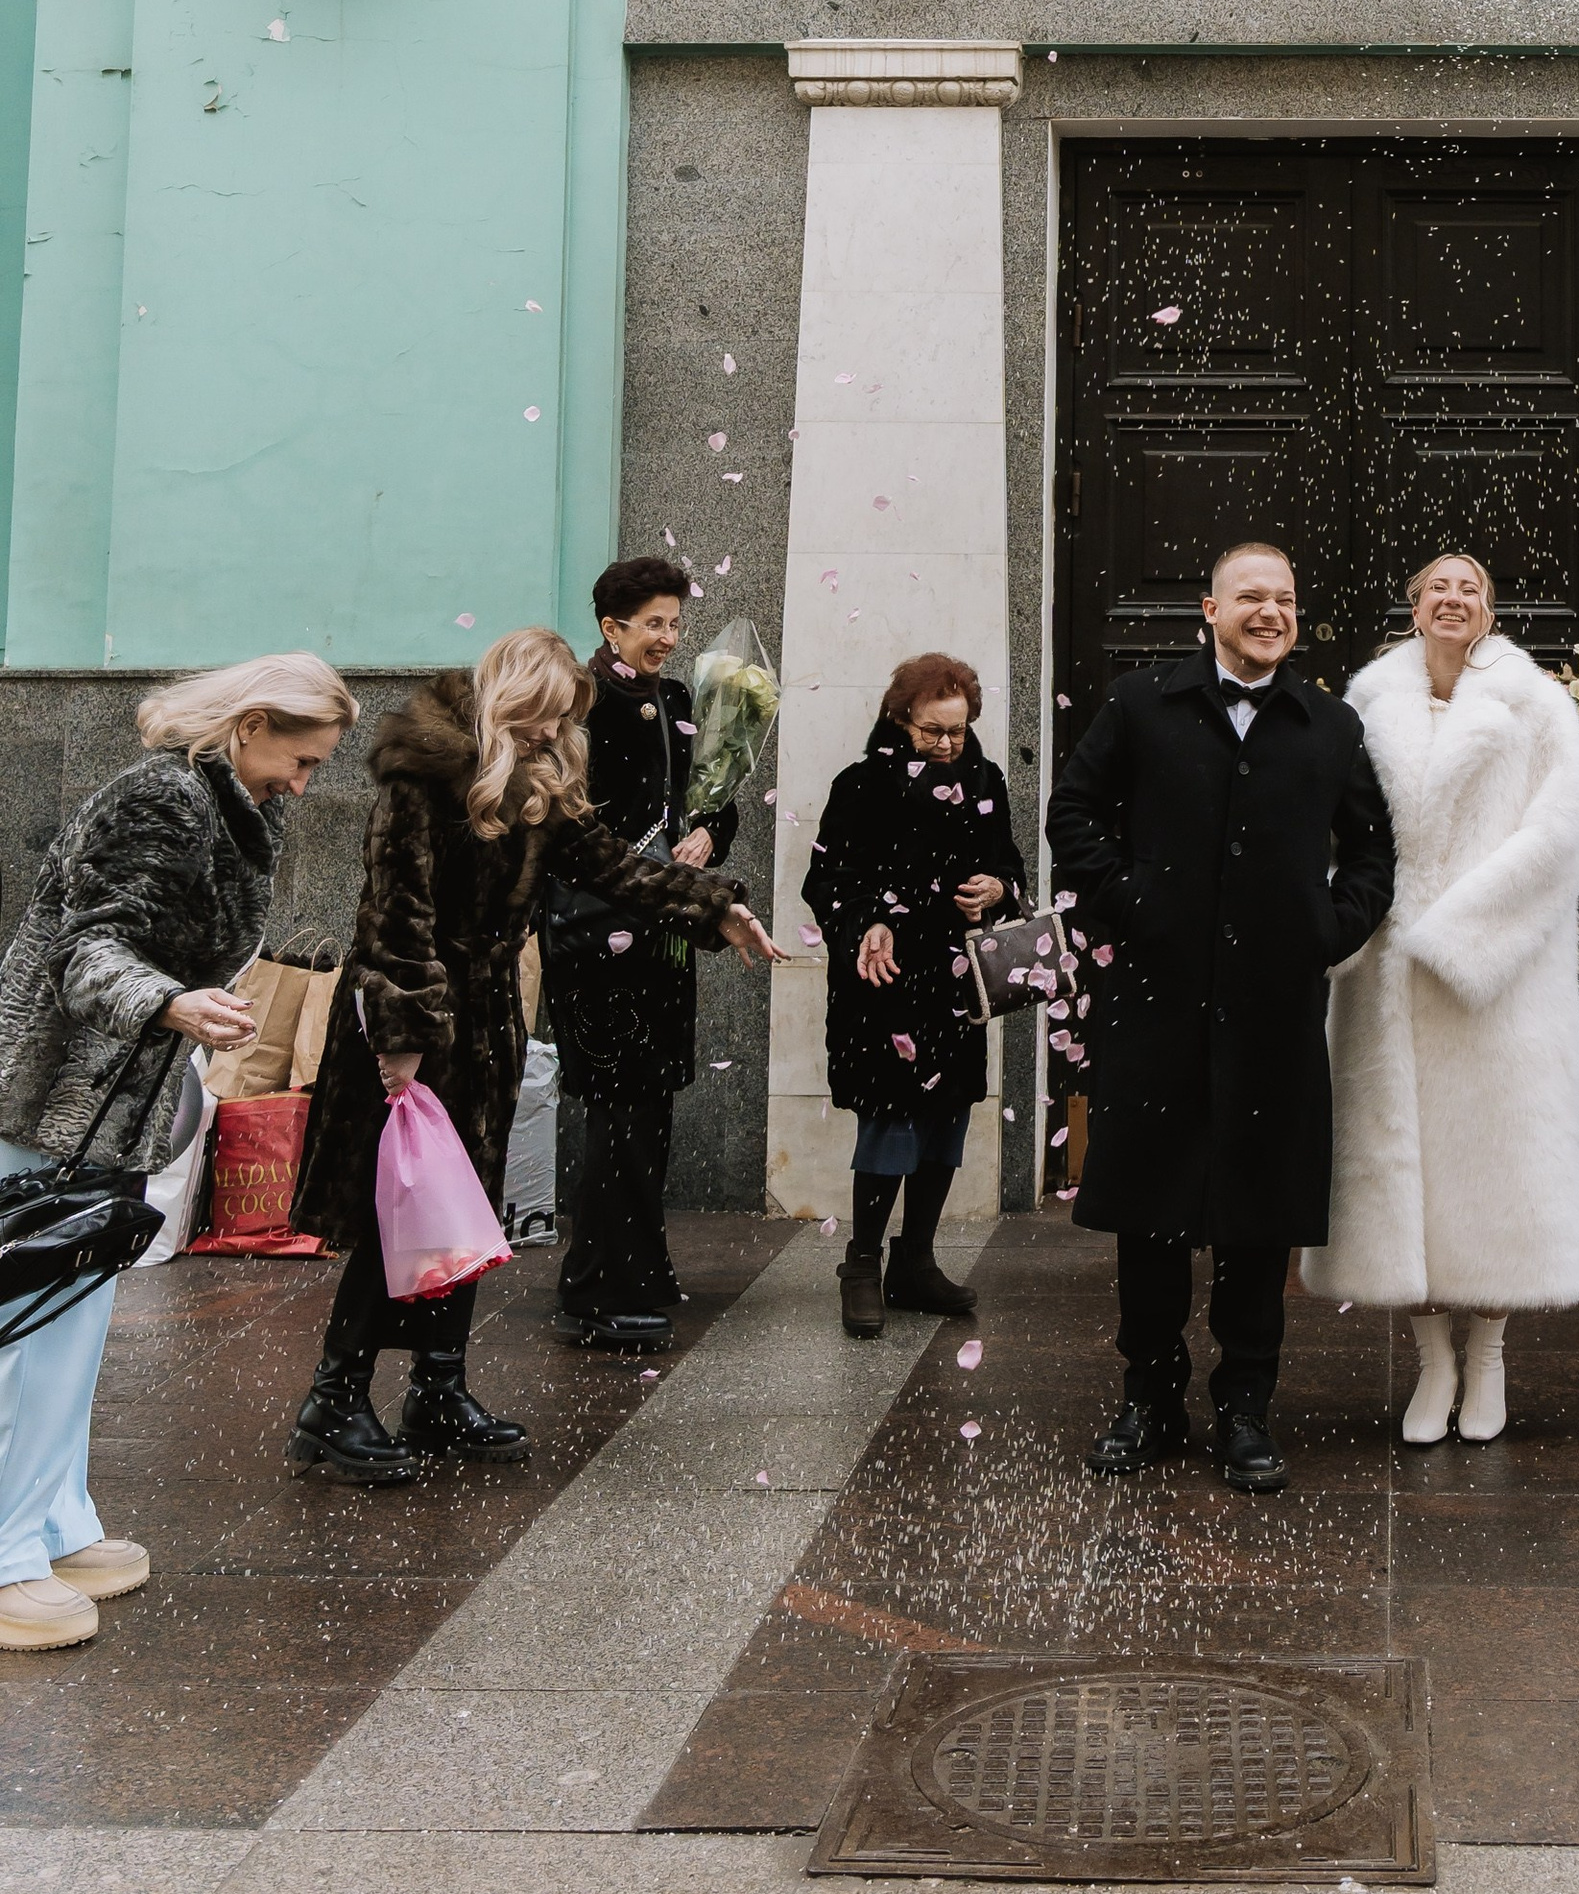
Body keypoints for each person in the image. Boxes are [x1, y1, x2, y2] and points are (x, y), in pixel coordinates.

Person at [289, 629, 777, 1480]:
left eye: (563, 721)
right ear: (505, 697)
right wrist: (403, 1042)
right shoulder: (423, 774)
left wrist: (715, 906)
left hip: (484, 1024)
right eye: (542, 716)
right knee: (394, 1219)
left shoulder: (539, 784)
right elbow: (392, 913)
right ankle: (335, 1402)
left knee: (461, 1213)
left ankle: (439, 1390)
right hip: (409, 1022)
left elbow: (617, 868)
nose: (554, 733)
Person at [0, 655, 356, 1649]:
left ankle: (52, 1523)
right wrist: (170, 1001)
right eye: (302, 757)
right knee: (29, 1325)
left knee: (68, 1317)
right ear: (249, 725)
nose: (304, 780)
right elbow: (86, 948)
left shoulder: (227, 799)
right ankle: (6, 1551)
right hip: (49, 1097)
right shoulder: (160, 797)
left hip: (103, 1101)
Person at [1046, 539, 1394, 1493]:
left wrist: (1330, 927)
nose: (1270, 612)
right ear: (1209, 609)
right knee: (1153, 1216)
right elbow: (1071, 812)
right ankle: (1149, 1400)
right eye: (1251, 597)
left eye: (1283, 598)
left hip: (1276, 1017)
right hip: (1157, 1010)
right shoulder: (1140, 703)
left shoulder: (1330, 724)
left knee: (1257, 1221)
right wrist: (1131, 899)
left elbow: (1372, 851)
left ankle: (1245, 1408)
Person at [1307, 552, 1579, 1446]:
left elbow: (1561, 836)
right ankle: (1433, 1357)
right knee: (1400, 1176)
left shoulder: (1535, 703)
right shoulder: (1365, 703)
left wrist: (1464, 933)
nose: (1453, 598)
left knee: (1493, 1165)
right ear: (1413, 602)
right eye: (1438, 585)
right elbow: (1331, 822)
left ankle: (1493, 1353)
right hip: (1386, 972)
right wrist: (1334, 926)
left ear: (1490, 608)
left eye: (1470, 587)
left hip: (1495, 978)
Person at [547, 553, 742, 1350]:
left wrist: (706, 831)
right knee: (619, 1109)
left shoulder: (676, 697)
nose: (668, 637)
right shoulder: (579, 705)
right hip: (597, 933)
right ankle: (594, 1289)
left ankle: (642, 1262)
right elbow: (576, 834)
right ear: (611, 627)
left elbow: (712, 798)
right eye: (653, 623)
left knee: (653, 1101)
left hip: (664, 924)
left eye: (674, 622)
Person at [802, 649, 1024, 1340]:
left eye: (957, 730)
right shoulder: (860, 785)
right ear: (900, 720)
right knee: (890, 1120)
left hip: (956, 981)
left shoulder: (985, 779)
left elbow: (1009, 864)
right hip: (886, 982)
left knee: (947, 1116)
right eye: (933, 731)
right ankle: (862, 1264)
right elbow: (826, 881)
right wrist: (867, 919)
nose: (947, 745)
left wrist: (998, 888)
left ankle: (916, 1261)